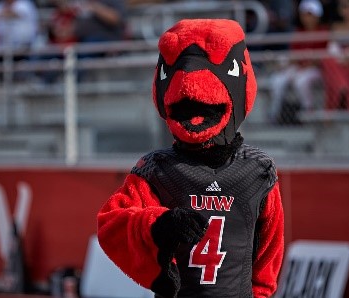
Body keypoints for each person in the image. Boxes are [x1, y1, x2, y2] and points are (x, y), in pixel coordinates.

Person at [97, 19, 284, 298]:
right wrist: (158, 225)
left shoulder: (258, 171)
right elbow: (111, 222)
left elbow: (268, 256)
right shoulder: (156, 170)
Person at [268, 0, 328, 123]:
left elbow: (325, 57)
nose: (307, 18)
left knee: (302, 81)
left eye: (310, 14)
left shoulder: (324, 31)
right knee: (277, 80)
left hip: (317, 69)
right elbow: (293, 55)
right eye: (304, 14)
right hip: (299, 67)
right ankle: (274, 114)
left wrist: (309, 63)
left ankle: (308, 112)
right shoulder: (299, 32)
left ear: (318, 15)